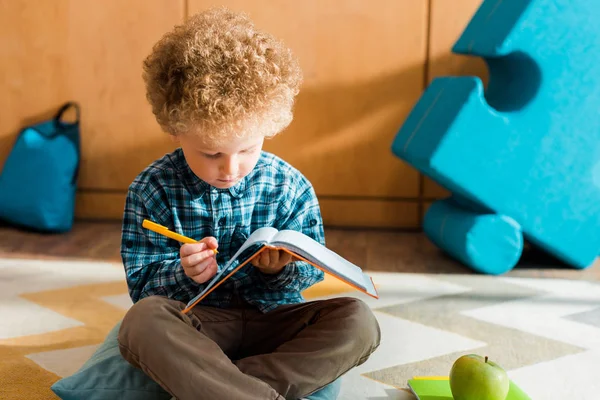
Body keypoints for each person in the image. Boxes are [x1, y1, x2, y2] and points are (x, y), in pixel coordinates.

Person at [117, 7, 381, 400]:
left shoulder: (290, 186)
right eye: (210, 154)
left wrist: (278, 273)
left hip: (274, 324)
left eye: (247, 149)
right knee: (141, 323)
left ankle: (222, 386)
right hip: (197, 327)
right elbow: (141, 286)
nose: (230, 168)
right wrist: (183, 272)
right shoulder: (151, 188)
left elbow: (308, 276)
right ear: (175, 129)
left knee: (359, 322)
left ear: (269, 128)